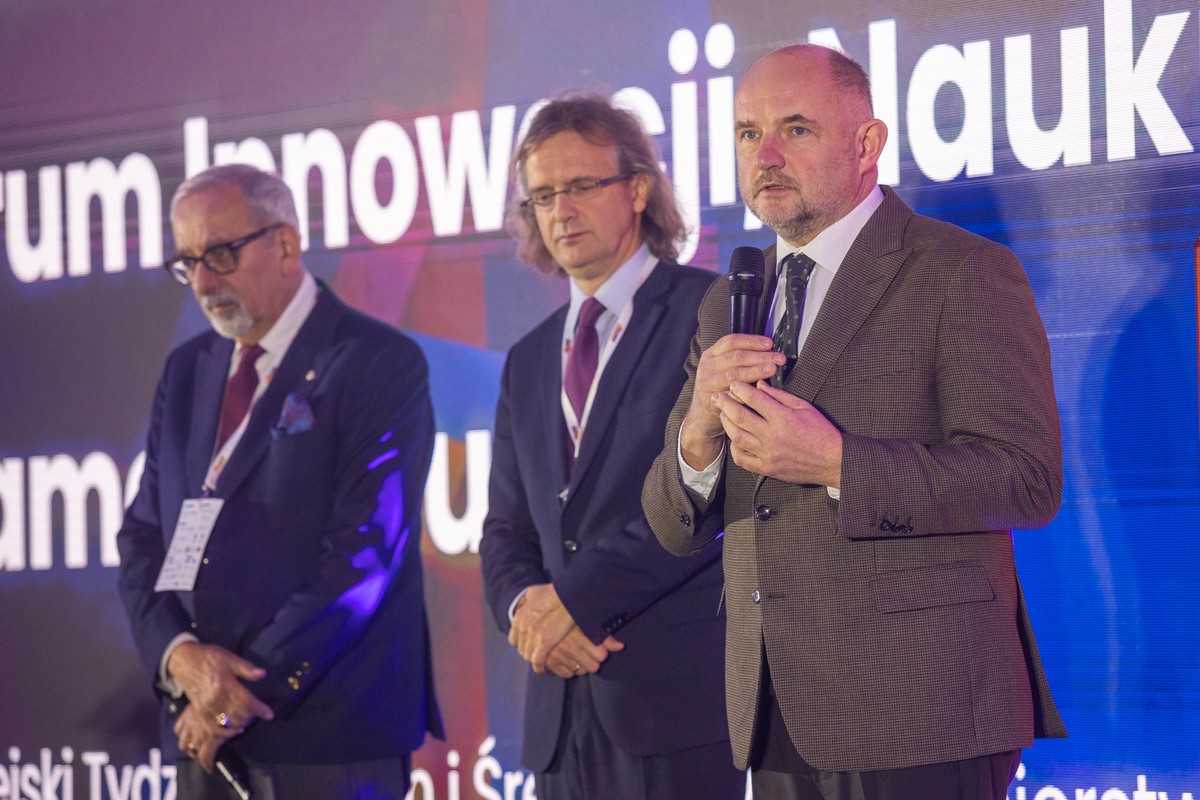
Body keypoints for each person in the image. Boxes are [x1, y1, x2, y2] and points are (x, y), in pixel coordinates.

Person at [642, 44, 1066, 800]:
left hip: (923, 708)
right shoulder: (731, 298)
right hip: (774, 705)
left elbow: (1026, 481)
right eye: (747, 133)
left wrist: (839, 463)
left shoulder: (960, 271)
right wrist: (698, 434)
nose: (766, 156)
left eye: (796, 129)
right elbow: (672, 525)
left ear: (866, 144)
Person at [116, 163, 441, 800]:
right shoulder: (187, 370)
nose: (203, 282)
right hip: (201, 730)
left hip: (326, 733)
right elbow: (144, 538)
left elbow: (363, 554)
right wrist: (180, 657)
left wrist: (236, 694)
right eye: (188, 263)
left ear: (286, 245)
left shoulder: (375, 361)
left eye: (221, 255)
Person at [479, 94, 745, 800]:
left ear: (638, 189)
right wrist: (527, 612)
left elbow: (712, 493)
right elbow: (505, 527)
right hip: (557, 702)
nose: (560, 210)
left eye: (580, 185)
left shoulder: (708, 310)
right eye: (542, 195)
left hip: (671, 702)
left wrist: (576, 601)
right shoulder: (528, 357)